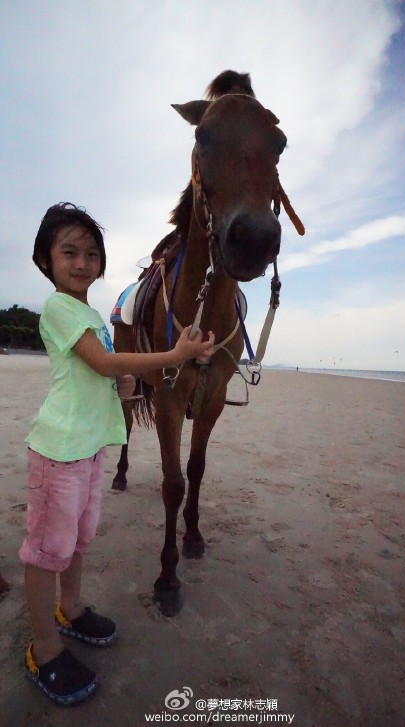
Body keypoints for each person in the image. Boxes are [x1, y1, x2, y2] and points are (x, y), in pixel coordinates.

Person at [19, 202, 215, 705]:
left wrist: (124, 385)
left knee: (76, 542)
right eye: (69, 253)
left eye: (91, 254)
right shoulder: (59, 308)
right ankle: (44, 648)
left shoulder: (89, 314)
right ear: (45, 261)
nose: (82, 263)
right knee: (46, 552)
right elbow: (102, 362)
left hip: (88, 450)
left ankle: (71, 608)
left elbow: (102, 372)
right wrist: (174, 355)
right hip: (59, 451)